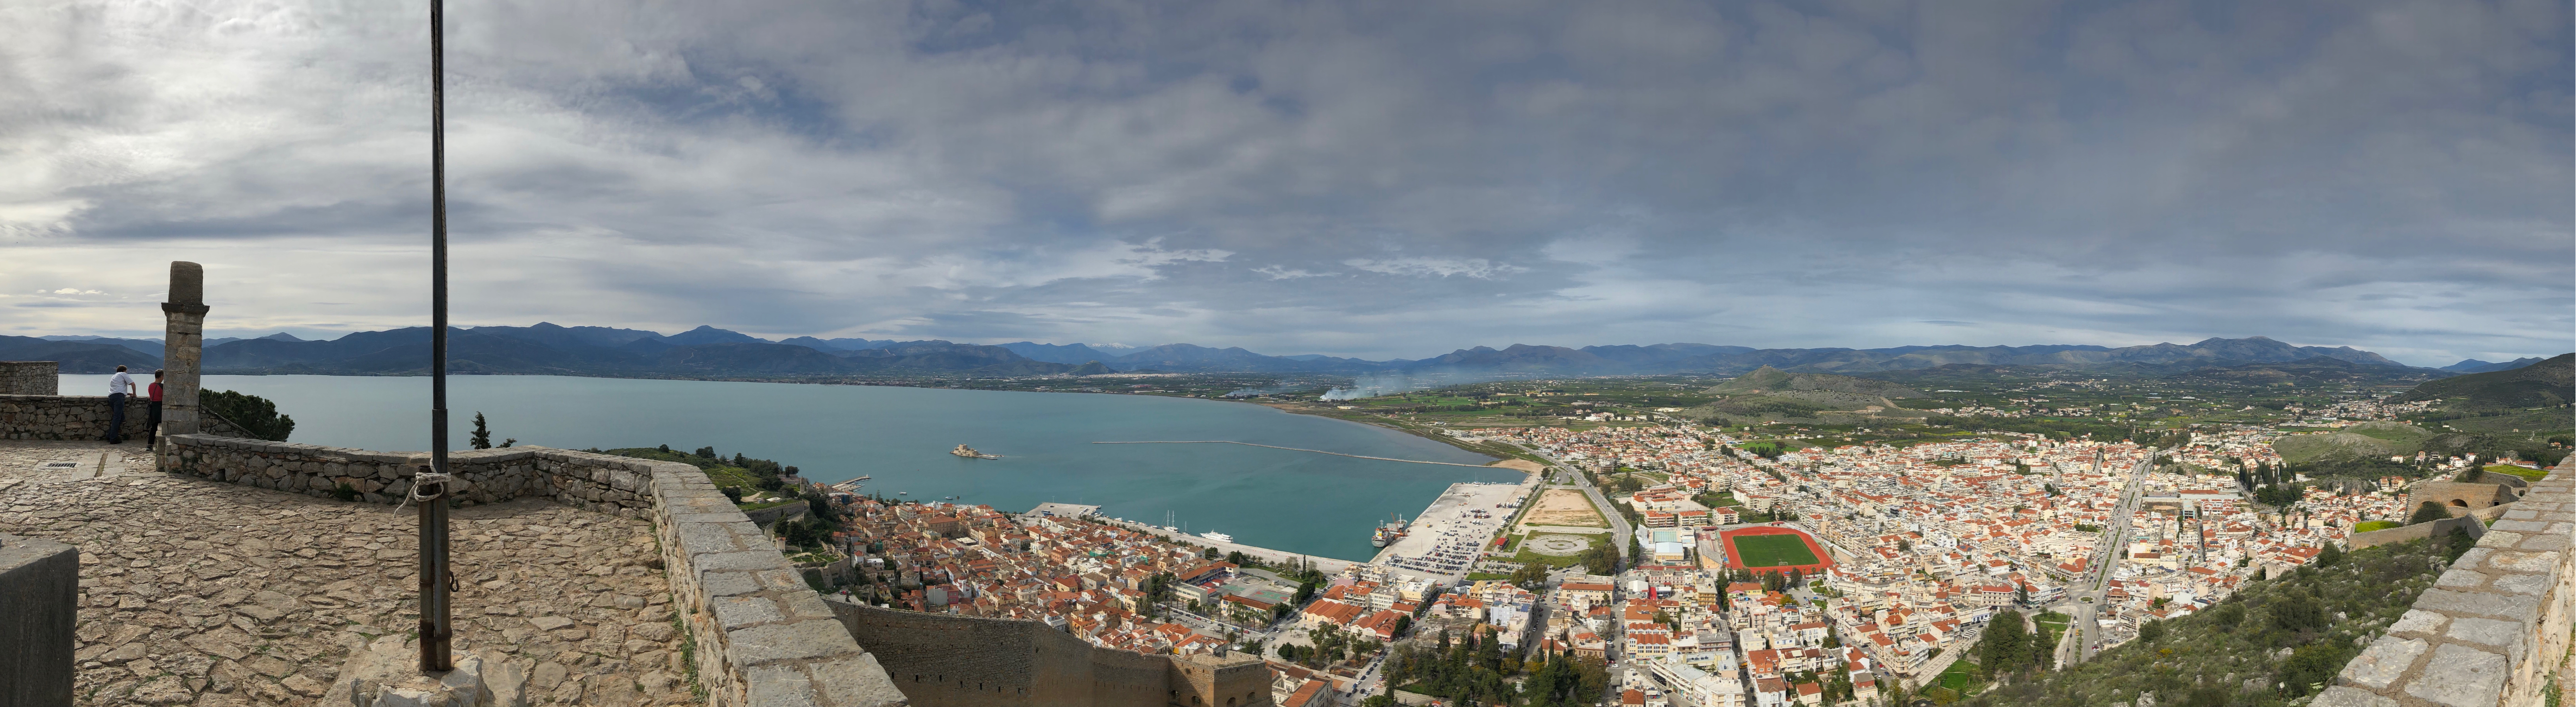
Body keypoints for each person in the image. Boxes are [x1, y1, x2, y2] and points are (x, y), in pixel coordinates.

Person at [104, 365, 135, 444]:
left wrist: (127, 393)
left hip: (111, 397)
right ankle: (113, 438)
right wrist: (134, 394)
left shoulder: (114, 376)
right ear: (124, 370)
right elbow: (133, 384)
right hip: (119, 398)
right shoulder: (123, 374)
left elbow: (117, 389)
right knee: (117, 418)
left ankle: (110, 435)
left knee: (121, 417)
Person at [145, 369, 166, 447]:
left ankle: (150, 445)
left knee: (153, 427)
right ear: (161, 376)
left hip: (153, 407)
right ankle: (163, 445)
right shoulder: (162, 386)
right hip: (160, 407)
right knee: (164, 426)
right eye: (163, 377)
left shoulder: (150, 385)